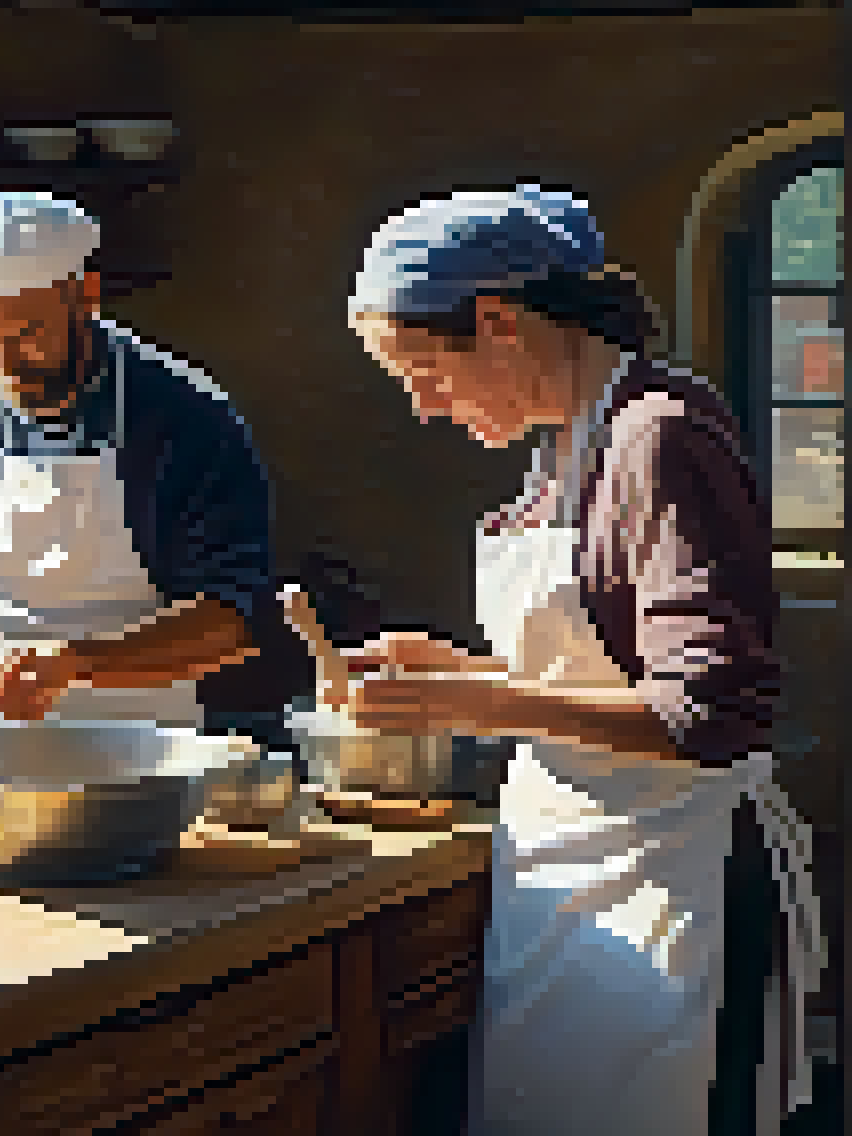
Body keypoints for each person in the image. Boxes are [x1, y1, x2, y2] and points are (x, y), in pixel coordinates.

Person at [334, 185, 823, 1136]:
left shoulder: (659, 439)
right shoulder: (566, 443)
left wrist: (481, 707)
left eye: (423, 371)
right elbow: (596, 668)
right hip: (570, 874)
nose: (425, 408)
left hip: (675, 882)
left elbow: (707, 714)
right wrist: (457, 675)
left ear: (497, 322)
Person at [0, 193, 276, 731]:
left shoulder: (177, 412)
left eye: (29, 336)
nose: (8, 368)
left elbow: (236, 615)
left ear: (86, 296)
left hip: (138, 747)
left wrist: (78, 663)